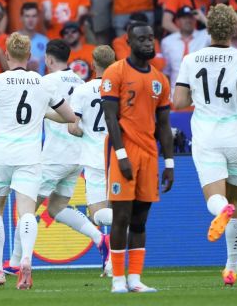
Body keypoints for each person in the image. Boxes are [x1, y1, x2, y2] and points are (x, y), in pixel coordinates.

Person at [0, 33, 77, 290]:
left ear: (6, 55)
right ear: (30, 57)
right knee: (27, 211)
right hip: (30, 156)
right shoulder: (42, 84)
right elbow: (70, 116)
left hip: (1, 156)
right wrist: (42, 111)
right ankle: (26, 261)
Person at [4, 39, 110, 277]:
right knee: (56, 207)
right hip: (78, 156)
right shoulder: (81, 81)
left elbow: (31, 110)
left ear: (48, 60)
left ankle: (14, 261)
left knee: (27, 207)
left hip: (54, 156)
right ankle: (100, 238)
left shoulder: (44, 82)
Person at [173, 3, 237, 287]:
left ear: (207, 28)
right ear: (234, 29)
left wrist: (199, 97)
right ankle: (231, 267)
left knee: (217, 199)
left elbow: (179, 102)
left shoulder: (191, 59)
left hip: (207, 138)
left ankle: (220, 210)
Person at [100, 20, 174, 293]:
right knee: (121, 217)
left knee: (141, 220)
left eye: (151, 39)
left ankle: (135, 279)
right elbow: (110, 116)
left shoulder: (160, 80)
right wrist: (120, 155)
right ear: (129, 42)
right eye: (142, 39)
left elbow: (164, 125)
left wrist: (169, 162)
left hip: (149, 155)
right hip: (125, 151)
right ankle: (117, 279)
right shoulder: (115, 72)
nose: (148, 43)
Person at [67, 45, 116, 276]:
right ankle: (112, 261)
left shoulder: (83, 91)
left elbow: (72, 127)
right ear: (115, 63)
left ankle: (123, 223)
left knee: (98, 215)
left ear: (93, 64)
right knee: (116, 209)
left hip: (94, 159)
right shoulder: (122, 88)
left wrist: (84, 132)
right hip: (117, 158)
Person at [161, 6, 210, 99]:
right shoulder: (167, 41)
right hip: (175, 95)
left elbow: (221, 34)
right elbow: (166, 71)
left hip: (201, 95)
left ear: (195, 20)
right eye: (184, 18)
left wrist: (203, 18)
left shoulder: (205, 36)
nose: (188, 20)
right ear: (178, 21)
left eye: (191, 17)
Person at [18, 2, 49, 75]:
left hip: (40, 84)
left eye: (34, 16)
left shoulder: (45, 41)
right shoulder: (13, 40)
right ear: (21, 18)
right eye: (27, 16)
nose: (30, 20)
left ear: (38, 18)